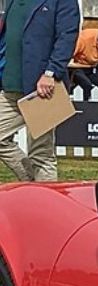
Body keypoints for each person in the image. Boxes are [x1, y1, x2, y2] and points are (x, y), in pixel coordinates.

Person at [0, 0, 79, 182]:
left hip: (42, 88)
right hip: (9, 85)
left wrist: (51, 72)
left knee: (41, 154)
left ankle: (46, 203)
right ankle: (33, 183)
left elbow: (67, 37)